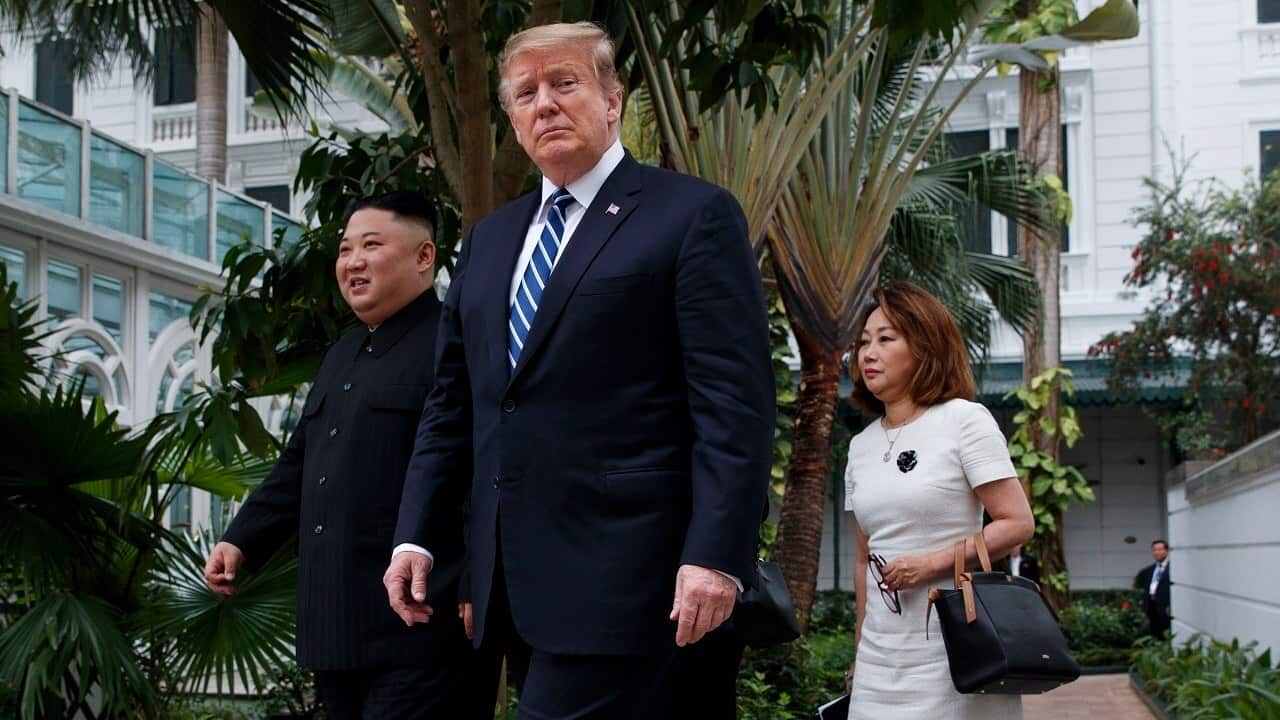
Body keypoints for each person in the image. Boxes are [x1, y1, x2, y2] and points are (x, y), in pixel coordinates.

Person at [382, 21, 774, 720]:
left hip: (641, 580)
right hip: (514, 586)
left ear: (613, 98)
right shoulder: (489, 241)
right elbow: (455, 405)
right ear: (510, 118)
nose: (546, 104)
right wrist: (417, 532)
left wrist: (717, 554)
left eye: (565, 83)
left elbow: (734, 407)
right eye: (526, 92)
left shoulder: (692, 217)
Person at [203, 192, 487, 719]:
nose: (352, 262)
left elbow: (481, 473)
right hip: (336, 631)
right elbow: (299, 465)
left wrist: (475, 582)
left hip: (423, 630)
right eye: (344, 249)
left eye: (371, 245)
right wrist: (240, 539)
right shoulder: (342, 354)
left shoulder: (458, 343)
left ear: (425, 257)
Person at [842, 282, 1034, 719]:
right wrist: (859, 654)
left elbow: (1018, 523)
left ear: (925, 346)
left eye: (886, 339)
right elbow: (862, 560)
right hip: (879, 658)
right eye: (863, 342)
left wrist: (929, 565)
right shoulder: (861, 447)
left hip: (954, 647)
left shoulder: (964, 421)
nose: (868, 353)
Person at [1134, 540, 1172, 638]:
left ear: (1167, 551)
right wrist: (1145, 610)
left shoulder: (1173, 569)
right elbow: (1146, 591)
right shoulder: (1148, 571)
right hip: (1152, 611)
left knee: (1167, 637)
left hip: (1167, 612)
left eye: (1160, 549)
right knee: (1155, 637)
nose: (1156, 552)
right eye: (1154, 550)